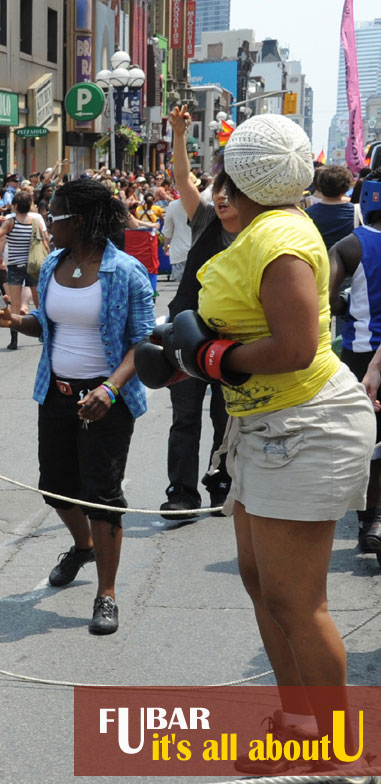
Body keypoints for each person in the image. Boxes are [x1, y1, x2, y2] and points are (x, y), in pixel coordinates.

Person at [151, 115, 372, 767]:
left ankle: (338, 753)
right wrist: (191, 357)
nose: (217, 192)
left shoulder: (276, 239)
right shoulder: (259, 227)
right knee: (261, 583)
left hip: (304, 425)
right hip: (265, 424)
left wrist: (210, 358)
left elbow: (296, 347)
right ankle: (299, 725)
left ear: (246, 181)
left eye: (228, 178)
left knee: (296, 602)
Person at [0, 178, 154, 635]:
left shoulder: (126, 272)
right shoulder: (53, 264)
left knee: (102, 495)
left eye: (54, 216)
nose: (48, 225)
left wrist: (110, 389)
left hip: (106, 402)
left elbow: (143, 342)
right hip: (56, 396)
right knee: (56, 486)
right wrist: (12, 320)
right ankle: (84, 547)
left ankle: (107, 593)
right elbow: (46, 324)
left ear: (77, 221)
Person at [159, 105, 237, 519]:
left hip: (235, 343)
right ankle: (182, 493)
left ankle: (222, 482)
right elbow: (182, 178)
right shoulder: (204, 218)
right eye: (218, 190)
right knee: (185, 417)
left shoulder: (262, 235)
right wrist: (178, 133)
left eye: (230, 192)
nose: (221, 198)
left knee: (227, 418)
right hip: (189, 335)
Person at [328, 190, 381, 559]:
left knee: (368, 441)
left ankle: (370, 520)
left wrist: (347, 305)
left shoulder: (349, 245)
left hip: (360, 353)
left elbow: (327, 298)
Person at [0, 191, 50, 351]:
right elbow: (45, 243)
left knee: (15, 304)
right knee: (38, 302)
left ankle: (14, 339)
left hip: (15, 266)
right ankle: (45, 333)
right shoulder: (35, 222)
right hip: (33, 265)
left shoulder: (10, 222)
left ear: (15, 206)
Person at [306, 165, 360, 249]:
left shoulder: (306, 214)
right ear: (346, 187)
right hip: (348, 256)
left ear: (319, 186)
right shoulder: (358, 211)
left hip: (320, 256)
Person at [158, 176, 198, 283]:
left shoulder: (173, 206)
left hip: (180, 252)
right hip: (198, 251)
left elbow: (167, 231)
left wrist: (165, 247)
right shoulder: (203, 205)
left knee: (182, 286)